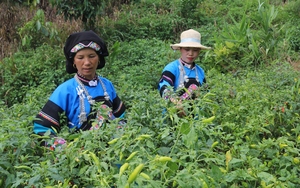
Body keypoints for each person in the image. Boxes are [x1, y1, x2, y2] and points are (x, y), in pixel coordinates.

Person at [33, 30, 126, 150]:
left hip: (113, 153)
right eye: (80, 57)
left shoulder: (107, 85)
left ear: (99, 59)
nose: (87, 62)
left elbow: (121, 117)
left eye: (92, 56)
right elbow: (42, 129)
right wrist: (68, 150)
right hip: (80, 158)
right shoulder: (65, 90)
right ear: (73, 62)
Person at [158, 29, 211, 117]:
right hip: (173, 119)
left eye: (195, 50)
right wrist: (175, 102)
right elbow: (163, 88)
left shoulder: (200, 71)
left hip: (196, 121)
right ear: (180, 49)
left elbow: (205, 93)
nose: (190, 53)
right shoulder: (172, 68)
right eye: (187, 49)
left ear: (199, 52)